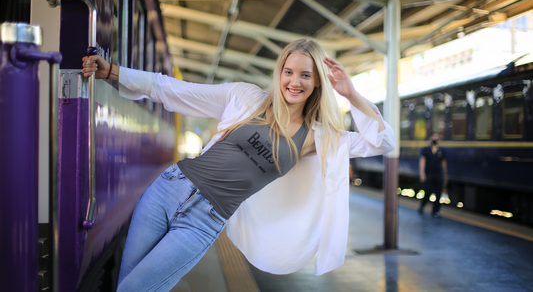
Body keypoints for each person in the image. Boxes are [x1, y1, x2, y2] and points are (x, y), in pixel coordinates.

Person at [82, 39, 395, 292]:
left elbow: (382, 143)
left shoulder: (316, 138)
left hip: (204, 221)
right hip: (169, 189)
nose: (294, 82)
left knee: (135, 289)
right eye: (288, 71)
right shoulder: (246, 97)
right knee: (127, 285)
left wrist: (351, 94)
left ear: (317, 83)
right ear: (280, 72)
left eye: (305, 75)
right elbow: (174, 89)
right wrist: (111, 72)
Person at [418, 132, 448, 217]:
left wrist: (445, 174)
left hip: (438, 174)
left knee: (438, 193)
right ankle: (422, 206)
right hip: (429, 174)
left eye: (437, 137)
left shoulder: (440, 150)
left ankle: (435, 211)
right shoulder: (425, 149)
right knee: (427, 192)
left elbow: (443, 162)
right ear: (430, 138)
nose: (435, 138)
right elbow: (422, 161)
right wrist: (422, 174)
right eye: (434, 137)